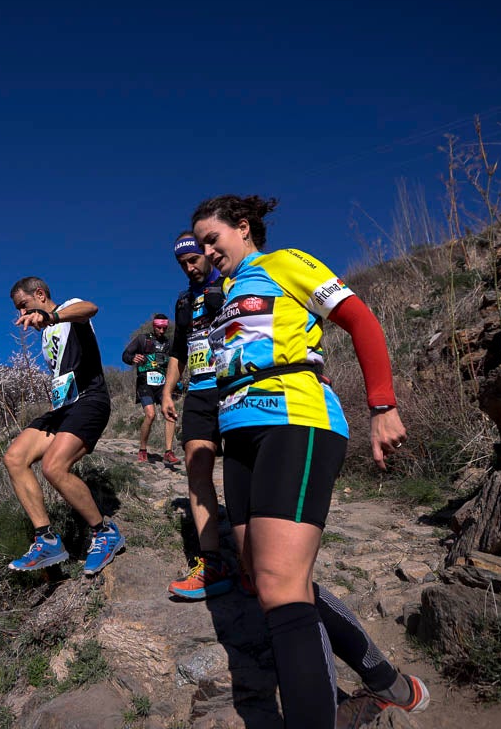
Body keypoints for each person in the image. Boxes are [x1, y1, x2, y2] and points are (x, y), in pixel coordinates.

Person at [191, 195, 429, 728]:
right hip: (240, 438)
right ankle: (389, 683)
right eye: (201, 244)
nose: (208, 251)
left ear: (243, 228)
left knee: (279, 587)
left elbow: (359, 319)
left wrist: (382, 406)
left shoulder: (284, 262)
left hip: (293, 422)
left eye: (214, 238)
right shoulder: (222, 296)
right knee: (267, 579)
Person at [2, 277, 125, 575]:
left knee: (54, 467)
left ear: (40, 295)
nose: (22, 316)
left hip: (90, 400)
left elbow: (90, 308)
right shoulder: (46, 336)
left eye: (24, 306)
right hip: (64, 408)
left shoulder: (69, 310)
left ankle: (104, 533)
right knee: (15, 458)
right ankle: (46, 539)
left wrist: (51, 315)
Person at [160, 232, 232, 599]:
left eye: (193, 260)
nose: (189, 268)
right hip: (200, 392)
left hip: (237, 387)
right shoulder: (184, 300)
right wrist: (168, 389)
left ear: (207, 253)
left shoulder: (233, 282)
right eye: (182, 264)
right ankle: (212, 561)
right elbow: (179, 350)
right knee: (196, 466)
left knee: (239, 471)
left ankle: (255, 560)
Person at [121, 314, 178, 465]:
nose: (161, 330)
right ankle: (142, 449)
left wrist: (176, 383)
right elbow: (126, 355)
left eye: (164, 328)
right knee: (150, 415)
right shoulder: (143, 339)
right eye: (159, 327)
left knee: (171, 414)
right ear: (153, 326)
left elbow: (176, 362)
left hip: (162, 384)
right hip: (145, 383)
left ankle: (168, 452)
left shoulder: (169, 343)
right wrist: (132, 358)